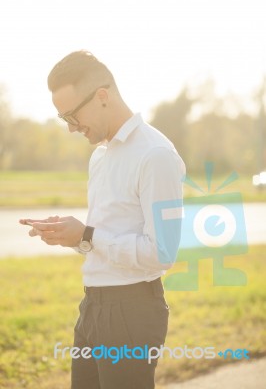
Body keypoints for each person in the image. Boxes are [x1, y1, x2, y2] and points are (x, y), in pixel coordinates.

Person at [20, 50, 185, 389]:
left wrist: (89, 234)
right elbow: (102, 237)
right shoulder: (99, 156)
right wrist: (73, 235)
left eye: (72, 115)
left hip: (132, 310)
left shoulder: (156, 156)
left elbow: (163, 253)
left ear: (102, 96)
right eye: (62, 119)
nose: (70, 128)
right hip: (92, 306)